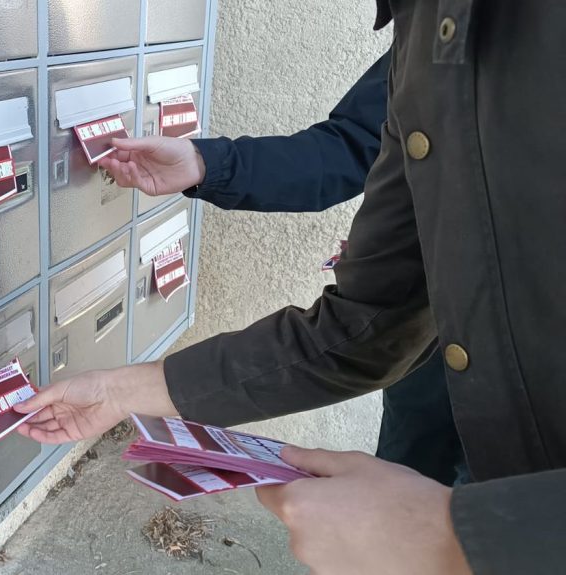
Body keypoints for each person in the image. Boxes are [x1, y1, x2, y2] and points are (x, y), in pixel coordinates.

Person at [16, 2, 566, 573]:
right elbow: (365, 323)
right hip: (458, 411)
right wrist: (119, 393)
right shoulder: (429, 32)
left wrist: (459, 541)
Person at [136, 47, 467, 486]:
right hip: (429, 359)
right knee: (402, 484)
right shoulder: (435, 29)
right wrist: (206, 164)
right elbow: (351, 143)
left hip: (535, 397)